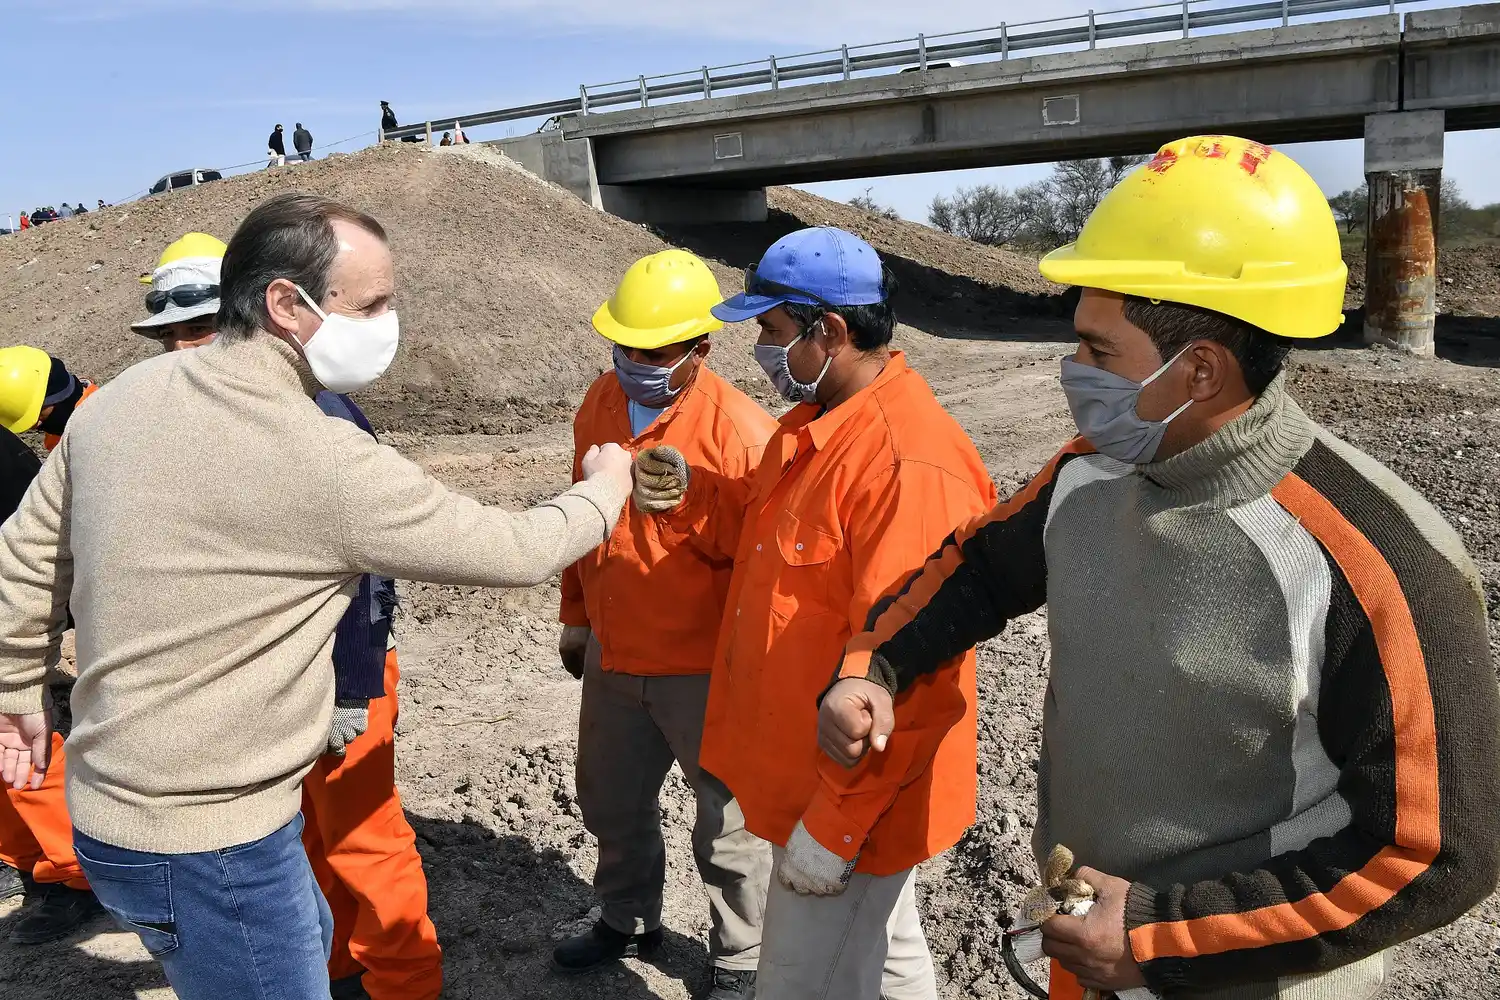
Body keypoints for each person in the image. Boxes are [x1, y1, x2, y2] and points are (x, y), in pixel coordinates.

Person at [817, 135, 1500, 1000]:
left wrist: (1163, 934)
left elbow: (1438, 850)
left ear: (1199, 372)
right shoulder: (1087, 474)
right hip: (1089, 940)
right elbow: (977, 569)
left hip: (1242, 977)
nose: (1071, 372)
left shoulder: (1377, 560)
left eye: (1099, 353)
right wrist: (874, 664)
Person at [0, 191, 634, 1000]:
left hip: (111, 817)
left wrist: (16, 687)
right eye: (371, 305)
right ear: (285, 304)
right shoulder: (316, 454)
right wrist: (605, 490)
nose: (389, 324)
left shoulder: (115, 403)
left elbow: (21, 563)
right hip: (217, 842)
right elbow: (514, 550)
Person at [633, 228, 996, 1000]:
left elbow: (913, 675)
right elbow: (769, 548)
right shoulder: (813, 430)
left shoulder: (907, 465)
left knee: (797, 985)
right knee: (890, 959)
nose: (760, 350)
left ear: (826, 330)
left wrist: (832, 833)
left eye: (769, 330)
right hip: (816, 786)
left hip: (848, 810)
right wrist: (697, 493)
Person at [130, 230, 442, 1000]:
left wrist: (353, 684)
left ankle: (404, 983)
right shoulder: (183, 418)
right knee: (296, 837)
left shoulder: (319, 417)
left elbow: (369, 574)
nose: (182, 350)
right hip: (261, 684)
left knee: (363, 837)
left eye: (197, 330)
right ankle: (335, 970)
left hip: (341, 672)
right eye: (170, 336)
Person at [552, 251, 776, 998]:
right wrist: (576, 618)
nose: (636, 364)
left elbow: (763, 568)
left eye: (656, 352)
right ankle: (628, 917)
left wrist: (691, 513)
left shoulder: (742, 436)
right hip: (615, 656)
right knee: (609, 799)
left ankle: (742, 955)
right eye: (625, 347)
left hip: (702, 666)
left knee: (728, 825)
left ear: (701, 349)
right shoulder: (599, 405)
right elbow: (580, 519)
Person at [0, 346, 102, 945]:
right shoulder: (64, 428)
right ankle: (28, 862)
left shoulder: (95, 428)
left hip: (60, 598)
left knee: (27, 735)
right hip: (47, 594)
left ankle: (72, 878)